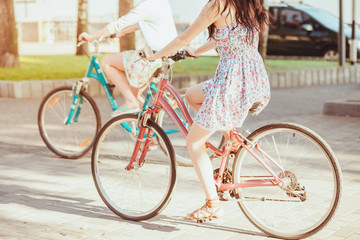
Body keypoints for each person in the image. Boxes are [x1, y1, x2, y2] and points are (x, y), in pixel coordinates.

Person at [145, 0, 271, 221]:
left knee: (194, 142)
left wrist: (154, 56)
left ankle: (212, 204)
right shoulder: (246, 4)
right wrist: (196, 50)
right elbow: (226, 35)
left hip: (231, 82)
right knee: (193, 96)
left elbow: (184, 37)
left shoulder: (217, 4)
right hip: (252, 78)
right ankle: (229, 137)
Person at [78, 0, 177, 115]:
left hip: (153, 56)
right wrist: (122, 32)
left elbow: (118, 24)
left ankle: (130, 102)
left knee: (106, 62)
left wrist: (91, 37)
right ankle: (144, 127)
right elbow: (143, 23)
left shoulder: (146, 6)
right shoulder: (161, 3)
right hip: (166, 57)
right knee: (136, 95)